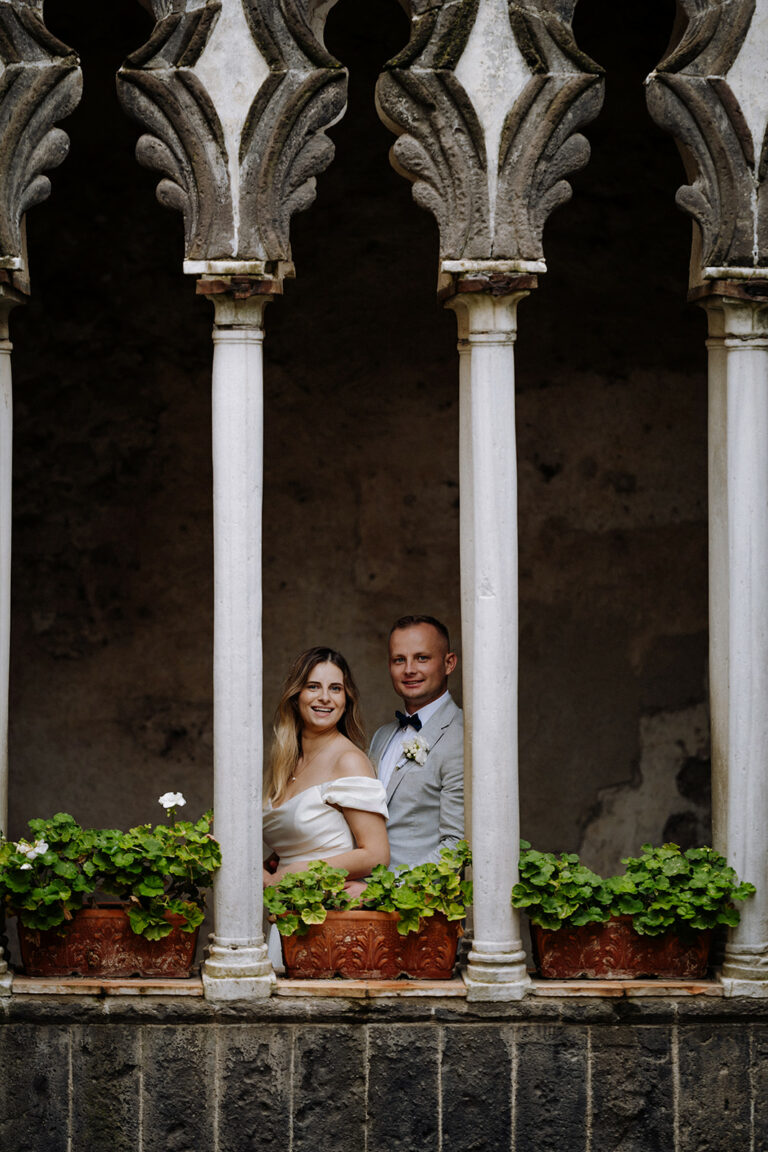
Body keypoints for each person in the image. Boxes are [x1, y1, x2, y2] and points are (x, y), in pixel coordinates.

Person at [262, 646, 390, 886]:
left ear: (346, 700)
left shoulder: (349, 761)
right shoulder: (286, 763)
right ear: (296, 695)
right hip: (284, 915)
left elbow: (376, 856)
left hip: (329, 913)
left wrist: (298, 871)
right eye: (313, 686)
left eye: (335, 688)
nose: (324, 697)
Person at [369, 615, 464, 869]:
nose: (409, 669)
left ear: (449, 663)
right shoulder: (381, 736)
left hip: (420, 906)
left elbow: (456, 845)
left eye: (422, 658)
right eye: (399, 659)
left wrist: (385, 891)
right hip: (363, 903)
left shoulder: (462, 737)